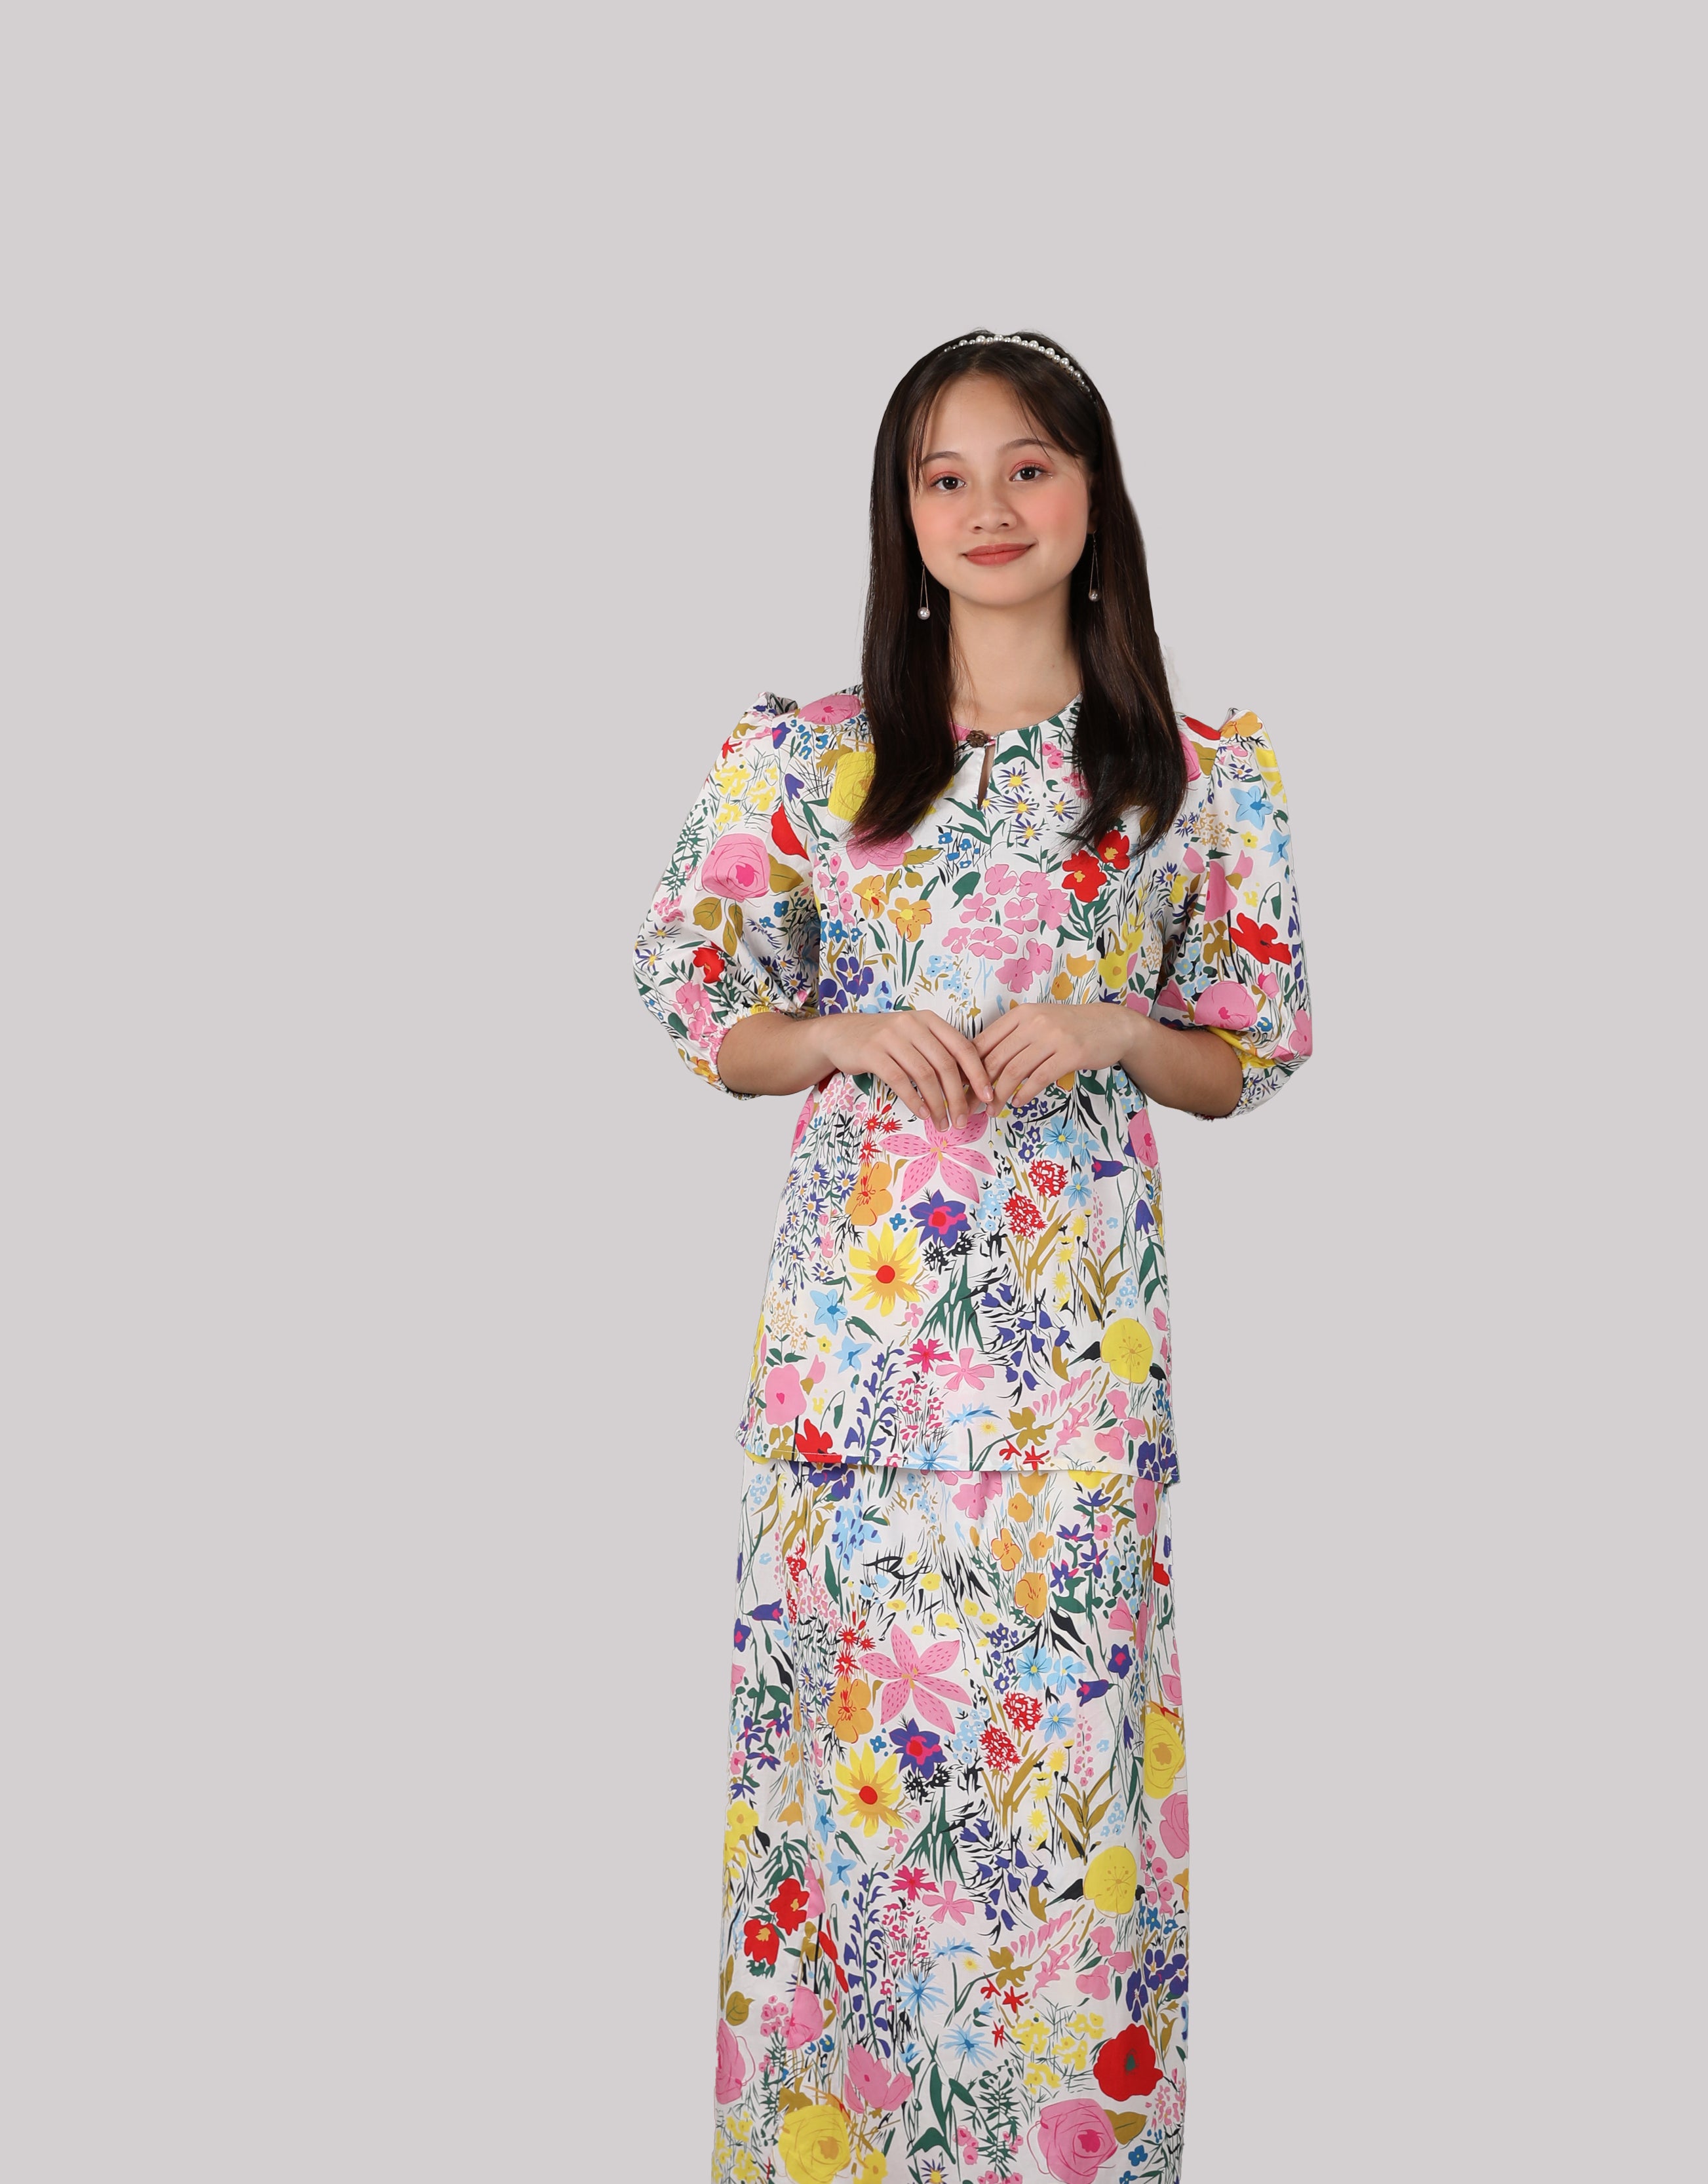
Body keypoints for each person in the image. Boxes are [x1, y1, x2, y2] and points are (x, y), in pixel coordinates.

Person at [635, 328, 1311, 2184]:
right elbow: (701, 1006)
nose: (989, 507)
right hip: (853, 1398)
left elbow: (1249, 1048)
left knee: (1068, 1861)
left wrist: (1114, 1026)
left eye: (1029, 467)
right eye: (946, 476)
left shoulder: (1195, 773)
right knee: (839, 1855)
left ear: (1094, 495)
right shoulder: (807, 758)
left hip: (1070, 1396)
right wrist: (842, 1035)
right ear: (903, 513)